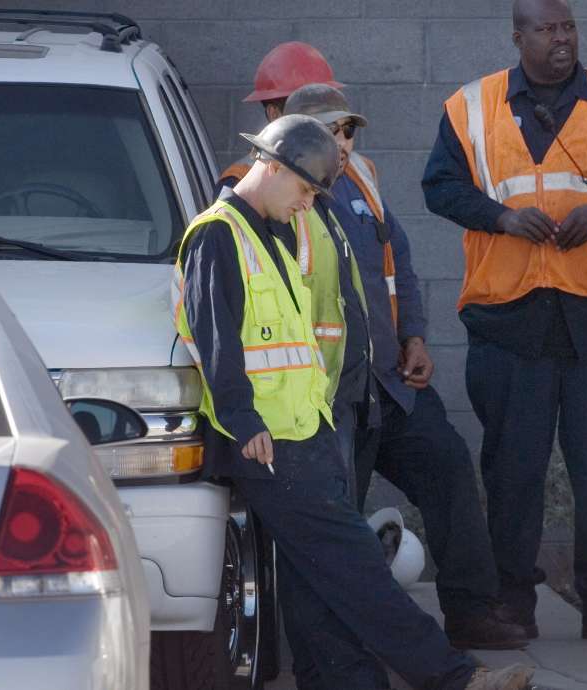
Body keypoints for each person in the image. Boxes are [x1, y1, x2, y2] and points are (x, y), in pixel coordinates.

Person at [172, 114, 532, 690]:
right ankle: (453, 678)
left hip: (301, 432)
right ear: (271, 165)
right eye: (306, 189)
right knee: (355, 565)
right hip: (268, 441)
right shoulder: (220, 235)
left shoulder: (270, 231)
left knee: (315, 575)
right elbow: (217, 342)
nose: (308, 202)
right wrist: (242, 421)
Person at [422, 0, 587, 642]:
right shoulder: (469, 107)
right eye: (546, 29)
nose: (560, 39)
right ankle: (512, 603)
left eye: (568, 27)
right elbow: (439, 186)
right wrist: (500, 217)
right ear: (519, 37)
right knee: (512, 469)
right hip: (509, 316)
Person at [282, 82, 529, 651]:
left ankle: (471, 612)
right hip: (331, 395)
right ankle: (341, 642)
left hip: (389, 384)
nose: (342, 142)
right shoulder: (281, 198)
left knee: (446, 465)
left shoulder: (362, 181)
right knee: (338, 516)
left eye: (347, 130)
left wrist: (414, 335)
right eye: (329, 131)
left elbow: (400, 264)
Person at [217, 41, 343, 189]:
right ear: (274, 114)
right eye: (310, 111)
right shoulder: (241, 182)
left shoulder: (352, 169)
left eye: (326, 111)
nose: (323, 122)